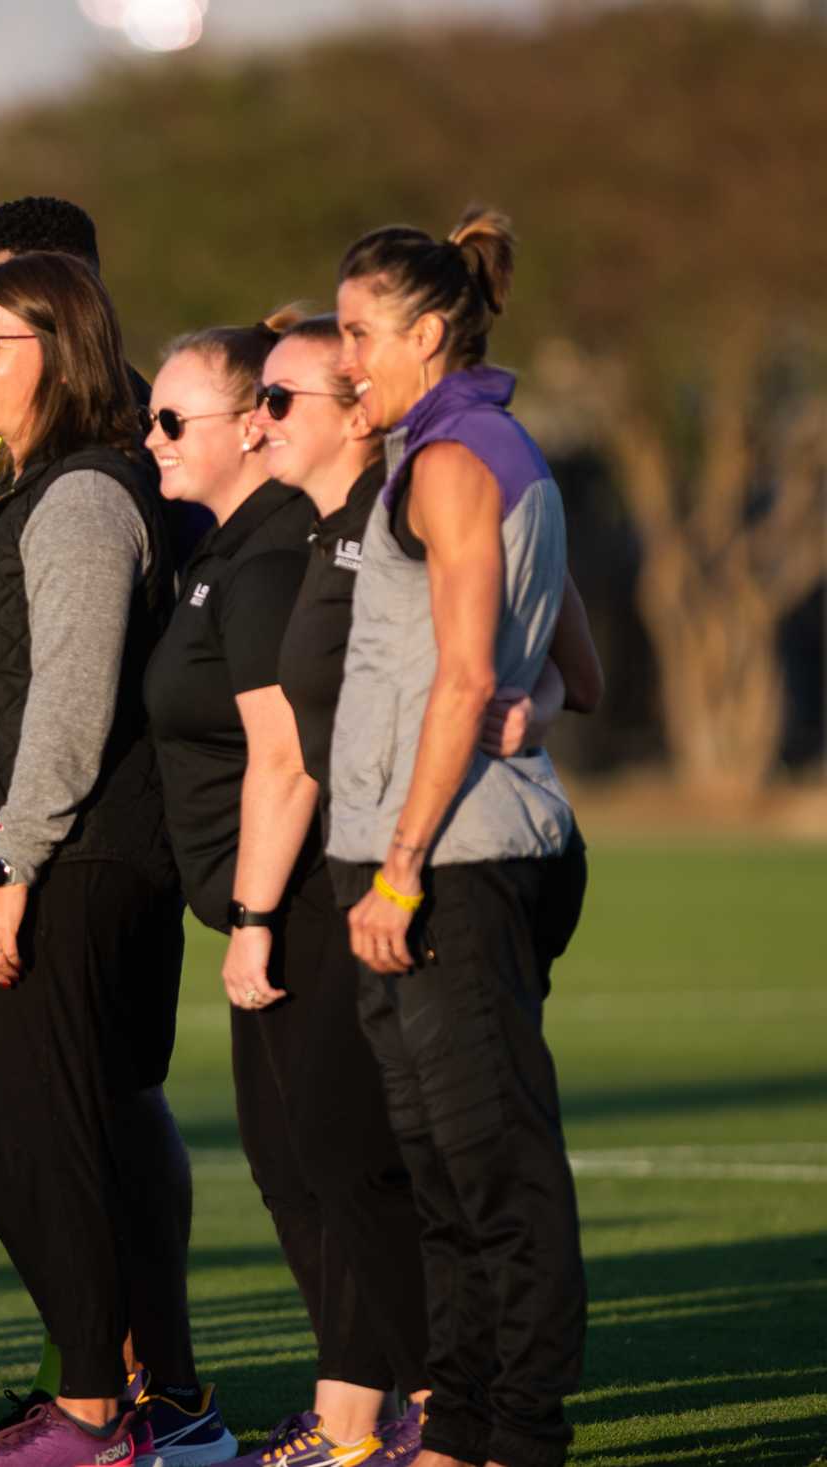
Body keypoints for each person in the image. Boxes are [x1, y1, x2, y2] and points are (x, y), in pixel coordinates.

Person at [0, 198, 212, 1461]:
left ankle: (96, 1405)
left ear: (58, 354)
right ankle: (102, 1393)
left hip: (66, 866)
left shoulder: (79, 497)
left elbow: (66, 702)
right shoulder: (18, 487)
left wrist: (8, 869)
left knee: (38, 1128)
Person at [143, 311, 434, 1467]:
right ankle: (356, 1415)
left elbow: (287, 758)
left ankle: (432, 1411)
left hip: (306, 904)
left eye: (176, 419)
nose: (155, 438)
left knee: (342, 1165)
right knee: (296, 1164)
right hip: (269, 903)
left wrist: (256, 915)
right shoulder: (241, 553)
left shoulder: (272, 562)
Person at [327, 208, 591, 1467]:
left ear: (428, 333)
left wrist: (396, 867)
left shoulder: (449, 461)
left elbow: (464, 674)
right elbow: (574, 670)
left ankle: (521, 1433)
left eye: (358, 332)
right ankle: (461, 1426)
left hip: (458, 864)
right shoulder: (481, 447)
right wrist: (530, 687)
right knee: (440, 1172)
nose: (342, 360)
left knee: (492, 1174)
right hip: (477, 845)